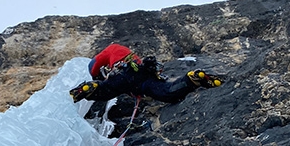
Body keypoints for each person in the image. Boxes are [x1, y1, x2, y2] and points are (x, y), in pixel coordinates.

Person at [70, 42, 224, 108]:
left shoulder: (111, 49)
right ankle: (191, 78)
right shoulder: (129, 53)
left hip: (123, 74)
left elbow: (94, 65)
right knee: (167, 92)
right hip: (143, 75)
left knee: (105, 91)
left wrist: (96, 79)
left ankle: (91, 88)